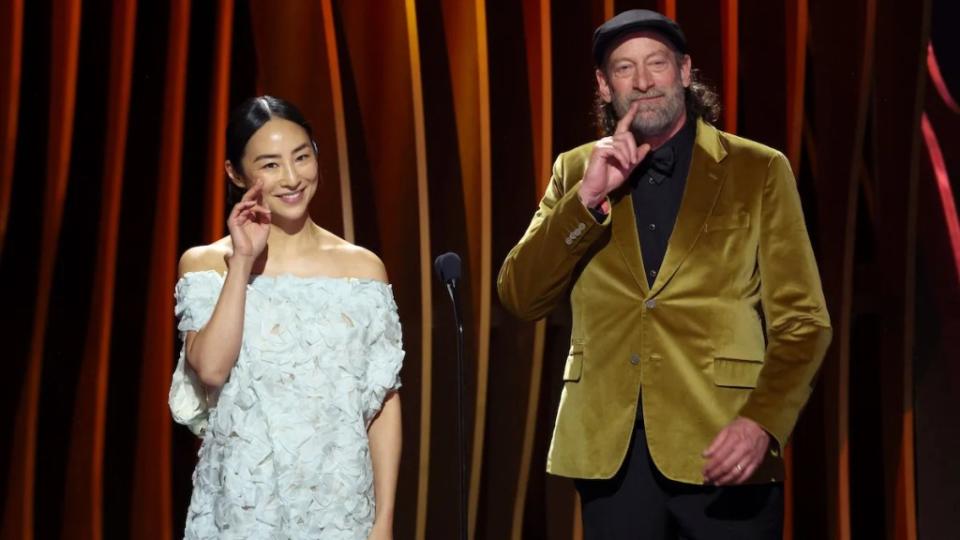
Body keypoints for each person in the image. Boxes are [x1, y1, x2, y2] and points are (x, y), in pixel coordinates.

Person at [497, 9, 831, 539]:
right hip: (612, 454)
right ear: (605, 86)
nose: (645, 81)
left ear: (685, 71)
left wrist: (763, 422)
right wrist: (586, 200)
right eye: (626, 69)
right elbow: (520, 297)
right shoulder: (576, 171)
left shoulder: (758, 169)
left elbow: (804, 320)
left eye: (657, 64)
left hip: (725, 444)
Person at [168, 96, 402, 539]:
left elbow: (383, 401)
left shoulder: (363, 269)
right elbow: (213, 369)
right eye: (270, 165)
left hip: (341, 507)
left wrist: (383, 519)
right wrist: (242, 260)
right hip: (244, 510)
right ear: (236, 174)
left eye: (302, 157)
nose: (293, 178)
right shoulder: (205, 265)